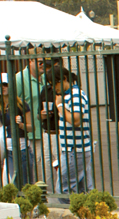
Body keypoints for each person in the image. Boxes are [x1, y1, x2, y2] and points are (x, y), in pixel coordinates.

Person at [48, 64, 93, 206]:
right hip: (72, 149)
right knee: (81, 189)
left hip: (75, 150)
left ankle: (71, 213)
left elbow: (76, 120)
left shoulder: (75, 95)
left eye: (54, 84)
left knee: (63, 189)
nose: (53, 88)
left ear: (64, 79)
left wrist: (60, 106)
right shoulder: (69, 95)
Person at [13, 49, 49, 185]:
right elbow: (10, 103)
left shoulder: (45, 78)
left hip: (47, 130)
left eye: (45, 62)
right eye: (40, 62)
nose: (43, 65)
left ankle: (47, 194)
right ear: (30, 60)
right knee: (34, 169)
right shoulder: (19, 79)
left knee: (47, 168)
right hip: (30, 133)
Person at [0, 72, 34, 188]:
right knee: (13, 184)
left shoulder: (21, 104)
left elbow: (31, 127)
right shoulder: (1, 106)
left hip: (22, 148)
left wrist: (21, 125)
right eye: (1, 85)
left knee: (24, 184)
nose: (3, 87)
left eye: (5, 84)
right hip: (7, 150)